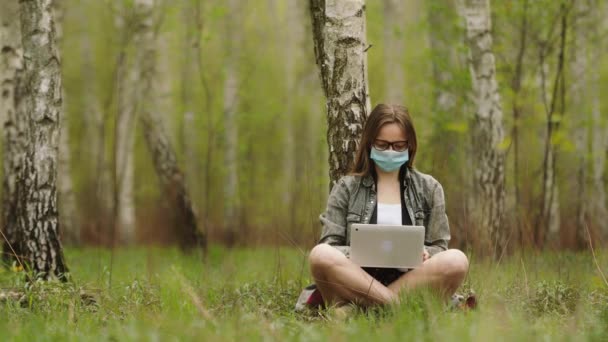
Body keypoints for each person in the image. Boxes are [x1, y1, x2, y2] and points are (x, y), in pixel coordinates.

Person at [308, 103, 469, 309]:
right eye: (382, 145)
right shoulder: (346, 188)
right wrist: (357, 253)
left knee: (457, 260)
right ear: (369, 144)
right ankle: (396, 305)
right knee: (320, 254)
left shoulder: (430, 188)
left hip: (411, 281)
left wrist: (425, 254)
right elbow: (331, 245)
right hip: (355, 281)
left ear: (410, 145)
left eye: (399, 145)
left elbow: (440, 247)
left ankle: (363, 308)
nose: (391, 152)